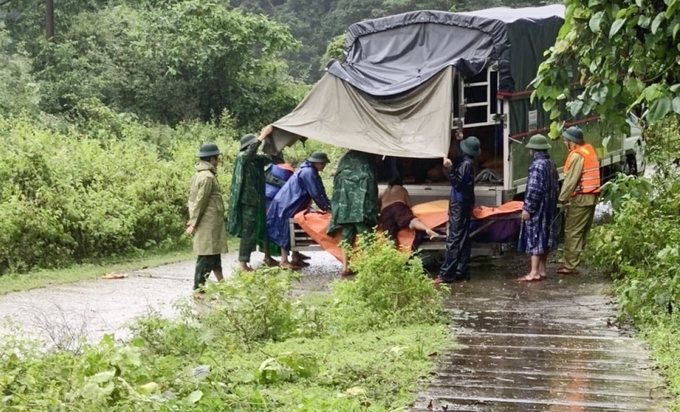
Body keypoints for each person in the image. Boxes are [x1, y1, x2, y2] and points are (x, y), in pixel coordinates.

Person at [267, 151, 332, 269]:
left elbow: (320, 191)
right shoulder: (308, 172)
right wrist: (327, 208)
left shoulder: (310, 171)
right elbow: (316, 193)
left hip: (292, 203)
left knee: (293, 227)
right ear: (316, 163)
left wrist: (328, 205)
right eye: (322, 163)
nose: (324, 166)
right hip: (286, 205)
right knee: (285, 229)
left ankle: (295, 257)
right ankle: (284, 261)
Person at [227, 125, 273, 272]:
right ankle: (242, 263)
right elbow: (250, 152)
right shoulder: (243, 158)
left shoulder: (254, 160)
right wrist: (262, 135)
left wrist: (268, 142)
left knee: (255, 231)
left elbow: (268, 159)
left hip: (255, 202)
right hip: (247, 202)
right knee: (247, 233)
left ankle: (261, 257)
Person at [435, 135, 480, 284]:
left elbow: (457, 183)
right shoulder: (469, 164)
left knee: (454, 238)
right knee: (464, 237)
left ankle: (446, 274)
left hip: (459, 205)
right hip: (465, 203)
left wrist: (449, 169)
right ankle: (461, 270)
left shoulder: (465, 165)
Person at [327, 150, 379, 277]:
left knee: (346, 239)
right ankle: (370, 267)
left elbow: (336, 189)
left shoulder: (344, 161)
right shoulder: (367, 163)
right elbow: (372, 190)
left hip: (345, 210)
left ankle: (345, 267)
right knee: (367, 239)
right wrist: (374, 210)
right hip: (362, 211)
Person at [186, 142, 228, 297]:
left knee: (213, 252)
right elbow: (200, 201)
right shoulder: (208, 177)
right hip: (207, 222)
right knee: (205, 256)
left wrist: (192, 219)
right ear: (212, 159)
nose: (218, 161)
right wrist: (194, 222)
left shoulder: (198, 175)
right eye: (217, 158)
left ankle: (222, 282)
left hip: (209, 221)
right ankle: (198, 289)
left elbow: (192, 199)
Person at [557, 126, 601, 275]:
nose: (564, 143)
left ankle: (570, 265)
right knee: (582, 230)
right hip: (591, 197)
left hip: (581, 198)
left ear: (573, 142)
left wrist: (562, 199)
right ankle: (575, 260)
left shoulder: (577, 156)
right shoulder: (589, 151)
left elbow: (570, 181)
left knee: (572, 231)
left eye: (566, 141)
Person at [517, 135, 560, 282]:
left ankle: (533, 272)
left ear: (533, 150)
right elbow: (556, 186)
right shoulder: (550, 164)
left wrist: (528, 208)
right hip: (549, 207)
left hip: (539, 209)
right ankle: (542, 270)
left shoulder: (537, 166)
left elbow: (534, 189)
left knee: (535, 237)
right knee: (545, 237)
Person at [378, 175, 442, 246]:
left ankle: (393, 250)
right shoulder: (401, 189)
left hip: (385, 211)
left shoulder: (382, 193)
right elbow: (409, 205)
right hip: (398, 206)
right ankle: (427, 230)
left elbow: (378, 208)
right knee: (412, 221)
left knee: (390, 236)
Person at [262, 155, 295, 265]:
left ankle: (267, 256)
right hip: (280, 203)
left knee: (267, 228)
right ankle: (286, 259)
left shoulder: (266, 169)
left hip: (266, 201)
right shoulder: (287, 169)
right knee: (282, 228)